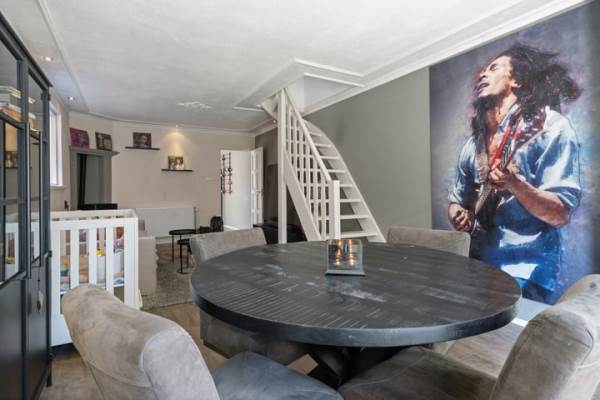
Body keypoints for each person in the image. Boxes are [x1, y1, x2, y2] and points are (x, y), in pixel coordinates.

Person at [447, 45, 582, 303]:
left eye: (493, 68)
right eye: (483, 71)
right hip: (477, 266)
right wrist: (458, 214)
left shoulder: (550, 127)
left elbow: (560, 214)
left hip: (526, 272)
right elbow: (457, 200)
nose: (482, 75)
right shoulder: (472, 146)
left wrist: (516, 184)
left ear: (517, 81)